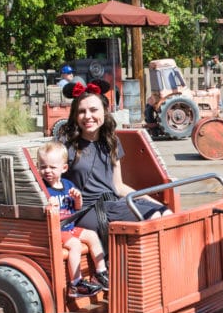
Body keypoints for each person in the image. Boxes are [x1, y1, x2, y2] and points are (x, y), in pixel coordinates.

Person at [61, 79, 170, 235]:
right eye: (81, 111)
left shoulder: (111, 141)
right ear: (75, 115)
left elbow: (118, 186)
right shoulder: (66, 145)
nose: (88, 116)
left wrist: (152, 201)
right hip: (86, 208)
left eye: (93, 110)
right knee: (150, 217)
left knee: (164, 213)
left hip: (113, 202)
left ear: (104, 112)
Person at [36, 141, 108, 297]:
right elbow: (38, 211)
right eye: (43, 167)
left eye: (52, 167)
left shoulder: (68, 185)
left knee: (92, 235)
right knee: (75, 245)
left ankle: (100, 272)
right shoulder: (41, 189)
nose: (47, 170)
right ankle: (75, 285)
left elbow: (76, 208)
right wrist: (48, 205)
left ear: (64, 168)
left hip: (69, 227)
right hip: (57, 230)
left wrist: (77, 198)